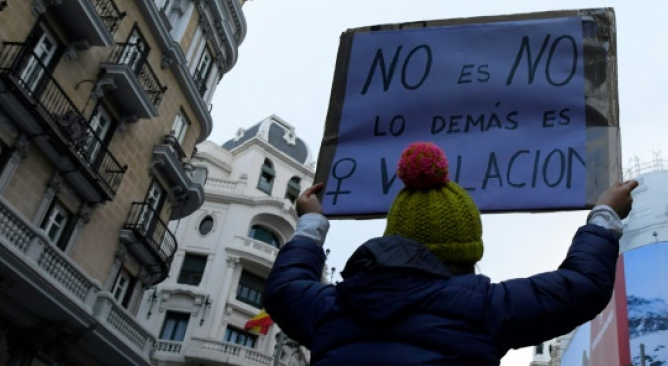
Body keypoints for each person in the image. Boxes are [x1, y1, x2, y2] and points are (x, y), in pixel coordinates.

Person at [264, 141, 638, 365]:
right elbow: (583, 285)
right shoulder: (484, 307)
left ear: (393, 235)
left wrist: (311, 224)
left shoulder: (333, 308)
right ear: (468, 251)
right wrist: (604, 215)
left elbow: (283, 289)